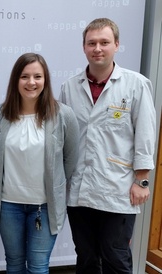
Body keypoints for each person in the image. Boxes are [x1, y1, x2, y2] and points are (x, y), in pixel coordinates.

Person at [59, 18, 156, 273]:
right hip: (79, 189)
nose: (97, 48)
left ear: (116, 45)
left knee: (115, 255)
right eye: (92, 43)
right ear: (84, 47)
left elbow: (146, 134)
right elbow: (64, 137)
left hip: (118, 188)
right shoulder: (69, 87)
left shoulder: (136, 84)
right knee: (87, 255)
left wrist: (142, 180)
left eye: (104, 42)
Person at [0, 53, 79, 273]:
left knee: (38, 267)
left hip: (45, 207)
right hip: (9, 206)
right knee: (14, 264)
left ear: (45, 80)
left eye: (37, 76)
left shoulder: (63, 115)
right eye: (24, 76)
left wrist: (53, 181)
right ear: (15, 80)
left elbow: (70, 160)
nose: (31, 82)